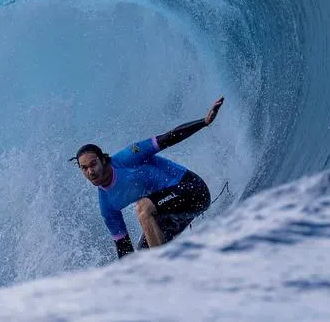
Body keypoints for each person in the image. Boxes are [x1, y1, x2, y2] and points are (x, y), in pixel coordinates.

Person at [73, 97, 224, 258]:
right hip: (169, 214)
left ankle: (158, 266)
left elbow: (168, 137)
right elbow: (124, 249)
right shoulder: (107, 206)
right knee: (142, 256)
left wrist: (203, 122)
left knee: (143, 209)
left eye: (93, 164)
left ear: (103, 160)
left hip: (193, 190)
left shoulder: (128, 157)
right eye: (84, 168)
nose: (90, 171)